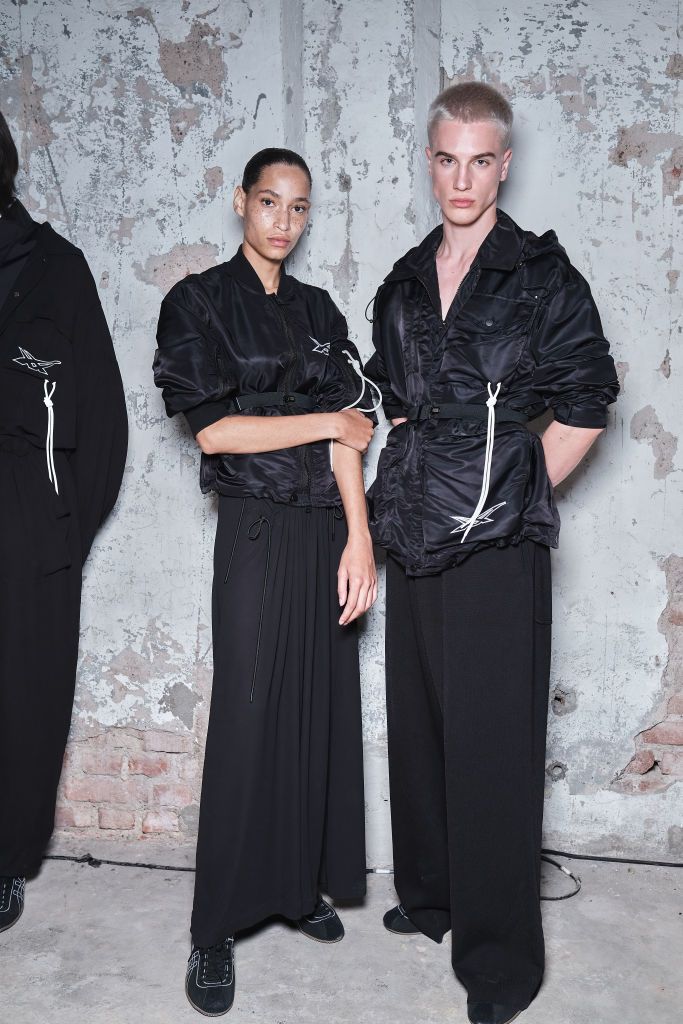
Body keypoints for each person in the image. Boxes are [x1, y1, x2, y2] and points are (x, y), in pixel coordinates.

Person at [365, 83, 619, 1024]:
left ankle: (501, 960)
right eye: (445, 159)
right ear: (427, 160)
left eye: (480, 160)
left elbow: (589, 400)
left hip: (499, 550)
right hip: (413, 537)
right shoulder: (399, 281)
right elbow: (394, 407)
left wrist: (511, 497)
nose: (461, 179)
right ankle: (432, 897)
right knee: (424, 728)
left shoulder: (539, 276)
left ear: (503, 164)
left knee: (491, 747)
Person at [153, 148, 379, 1016]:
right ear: (240, 203)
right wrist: (323, 417)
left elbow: (351, 440)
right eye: (269, 202)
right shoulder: (198, 302)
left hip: (325, 526)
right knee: (250, 715)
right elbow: (213, 432)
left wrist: (359, 542)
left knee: (313, 711)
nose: (283, 221)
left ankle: (294, 890)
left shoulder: (320, 311)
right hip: (253, 531)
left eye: (298, 208)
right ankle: (214, 930)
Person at [0, 113, 128, 933]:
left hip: (26, 515)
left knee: (23, 691)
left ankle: (7, 857)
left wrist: (59, 532)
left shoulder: (57, 270)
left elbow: (106, 425)